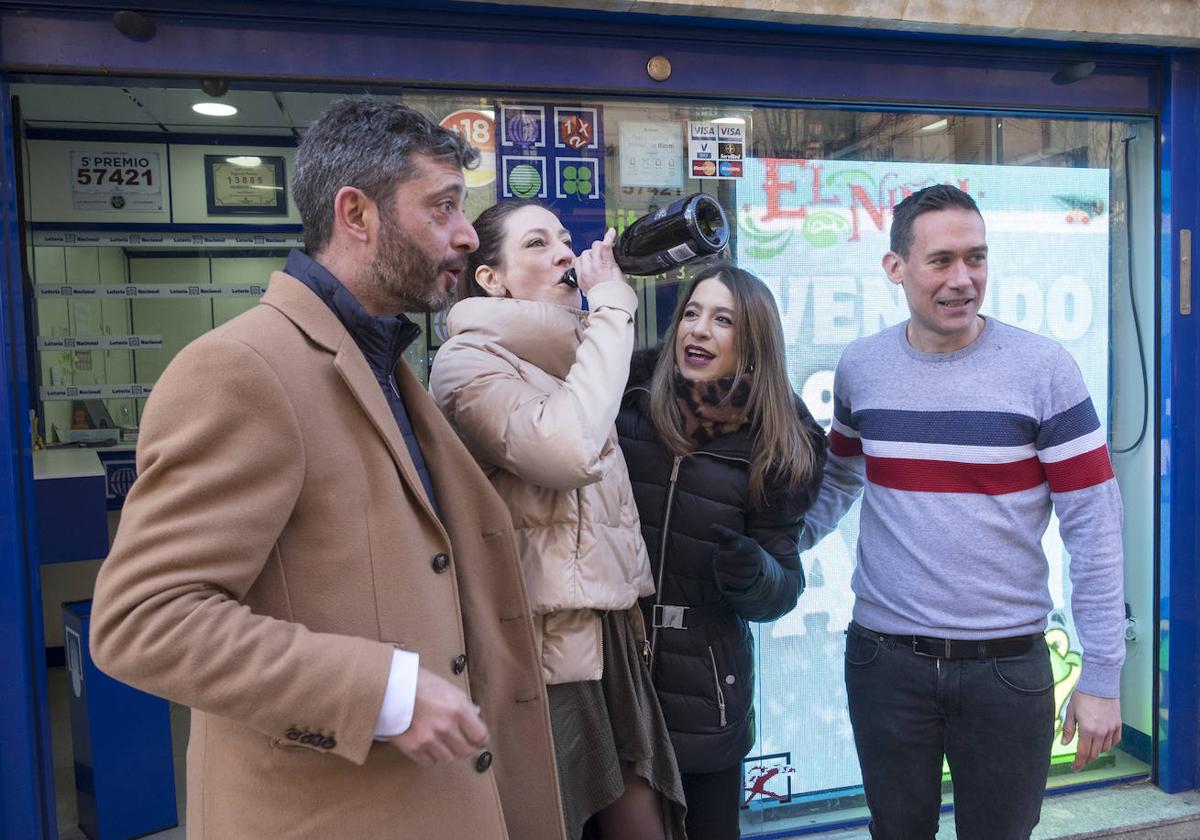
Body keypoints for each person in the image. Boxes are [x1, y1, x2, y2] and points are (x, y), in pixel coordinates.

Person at [88, 98, 565, 840]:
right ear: (356, 214)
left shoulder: (386, 362)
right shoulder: (240, 369)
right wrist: (382, 691)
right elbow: (143, 620)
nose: (468, 236)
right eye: (442, 207)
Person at [800, 183, 1125, 839]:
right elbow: (838, 479)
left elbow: (1094, 527)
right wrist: (775, 547)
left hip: (1006, 672)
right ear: (896, 269)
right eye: (941, 260)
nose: (962, 279)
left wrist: (1102, 675)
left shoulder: (1043, 370)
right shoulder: (862, 369)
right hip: (884, 664)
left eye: (976, 258)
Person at [430, 199, 686, 840]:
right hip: (539, 647)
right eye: (539, 244)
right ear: (492, 278)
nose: (567, 254)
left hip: (609, 631)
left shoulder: (575, 355)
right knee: (552, 818)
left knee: (644, 816)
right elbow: (566, 449)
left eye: (567, 240)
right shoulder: (467, 363)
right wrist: (614, 309)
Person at [616, 262, 827, 840]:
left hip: (706, 685)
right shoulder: (627, 400)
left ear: (752, 343)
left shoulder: (779, 444)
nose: (698, 330)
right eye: (691, 313)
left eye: (722, 320)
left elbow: (782, 587)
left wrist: (753, 572)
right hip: (615, 668)